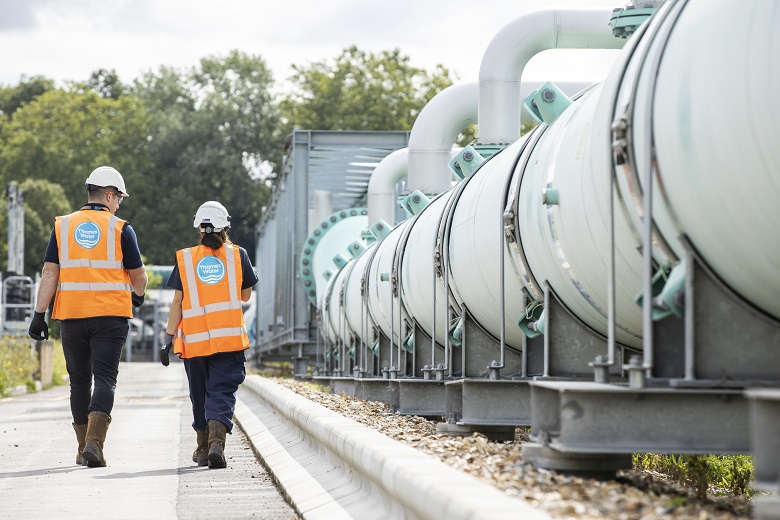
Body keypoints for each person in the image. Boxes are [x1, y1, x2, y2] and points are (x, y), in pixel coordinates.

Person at [28, 165, 148, 468]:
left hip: (71, 315)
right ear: (108, 195)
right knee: (105, 378)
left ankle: (83, 448)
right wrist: (138, 296)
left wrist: (38, 315)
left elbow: (49, 273)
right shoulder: (121, 228)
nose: (119, 203)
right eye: (119, 197)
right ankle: (95, 444)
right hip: (110, 317)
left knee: (79, 382)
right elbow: (139, 276)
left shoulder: (63, 226)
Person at [160, 201, 257, 469]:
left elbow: (177, 303)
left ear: (199, 229)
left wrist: (168, 338)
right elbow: (246, 294)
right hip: (229, 341)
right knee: (221, 393)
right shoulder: (239, 255)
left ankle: (203, 449)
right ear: (226, 226)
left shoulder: (186, 259)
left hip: (195, 343)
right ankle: (217, 444)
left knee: (200, 394)